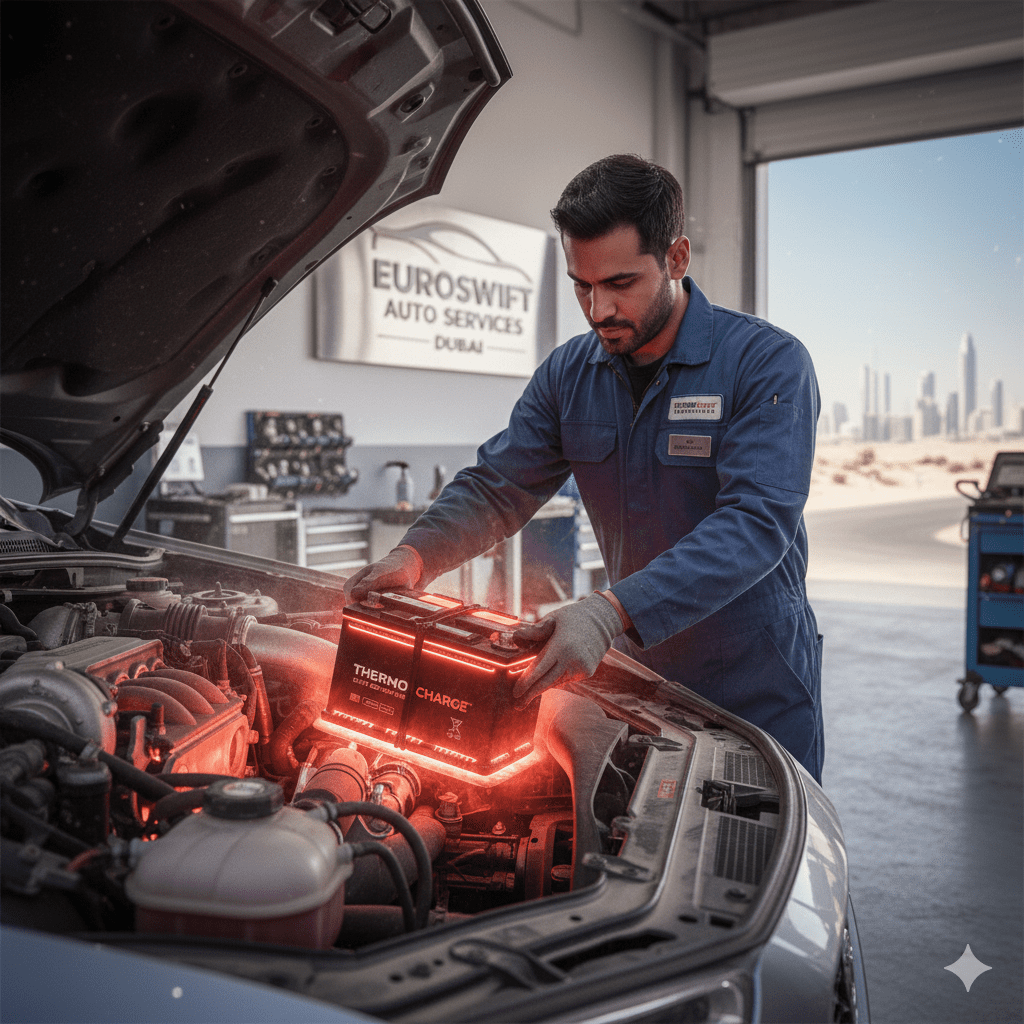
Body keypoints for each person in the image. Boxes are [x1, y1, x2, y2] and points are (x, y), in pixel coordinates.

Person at [345, 154, 824, 782]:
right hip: (637, 672)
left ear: (676, 259)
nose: (598, 310)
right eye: (581, 285)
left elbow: (757, 522)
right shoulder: (570, 373)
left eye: (620, 284)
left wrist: (606, 611)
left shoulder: (766, 364)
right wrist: (414, 557)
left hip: (754, 679)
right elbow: (498, 486)